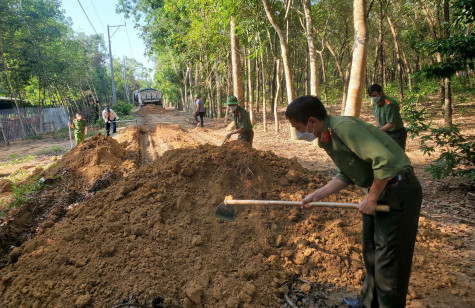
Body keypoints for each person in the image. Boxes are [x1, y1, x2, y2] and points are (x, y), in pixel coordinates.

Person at [285, 96, 422, 308]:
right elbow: (347, 173)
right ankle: (368, 303)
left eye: (297, 126)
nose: (297, 131)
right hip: (382, 189)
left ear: (312, 121)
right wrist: (318, 195)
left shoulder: (344, 129)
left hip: (398, 191)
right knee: (371, 254)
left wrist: (372, 197)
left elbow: (384, 162)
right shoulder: (328, 135)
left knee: (389, 263)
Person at [368, 84, 407, 150]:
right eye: (371, 96)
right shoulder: (376, 103)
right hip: (385, 133)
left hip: (396, 135)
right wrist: (377, 129)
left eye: (375, 95)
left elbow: (391, 124)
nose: (373, 98)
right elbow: (377, 117)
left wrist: (378, 131)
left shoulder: (390, 104)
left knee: (397, 156)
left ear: (381, 92)